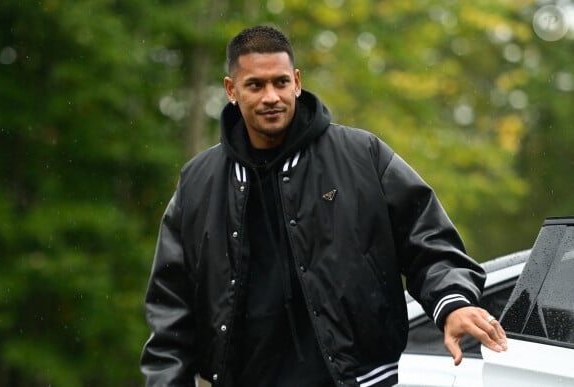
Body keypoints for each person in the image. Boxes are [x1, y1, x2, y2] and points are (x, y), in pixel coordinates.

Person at [140, 25, 507, 387]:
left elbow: (429, 241)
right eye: (255, 85)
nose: (271, 96)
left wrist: (453, 303)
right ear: (231, 90)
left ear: (297, 82)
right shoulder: (198, 182)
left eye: (281, 82)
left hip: (360, 379)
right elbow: (171, 305)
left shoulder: (364, 155)